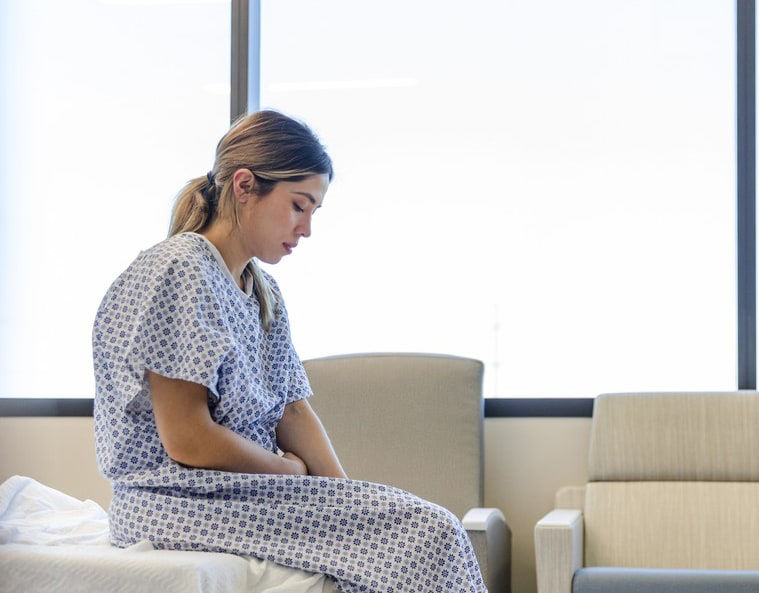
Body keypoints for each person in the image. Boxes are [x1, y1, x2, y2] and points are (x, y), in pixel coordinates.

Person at [92, 110, 487, 593]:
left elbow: (293, 411)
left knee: (420, 531)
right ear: (244, 186)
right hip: (173, 499)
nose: (307, 229)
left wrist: (348, 501)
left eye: (314, 212)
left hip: (240, 493)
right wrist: (288, 471)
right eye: (300, 206)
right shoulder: (180, 269)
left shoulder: (262, 292)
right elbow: (187, 439)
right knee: (431, 534)